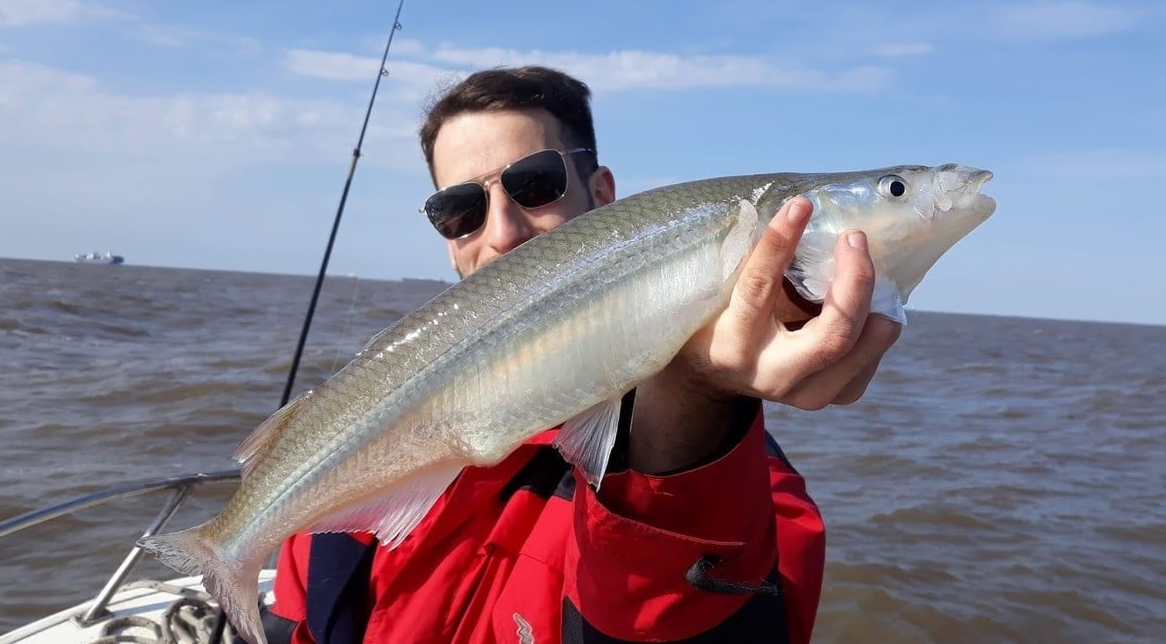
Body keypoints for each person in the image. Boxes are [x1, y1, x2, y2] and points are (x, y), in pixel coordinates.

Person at [263, 65, 900, 643]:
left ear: (602, 192)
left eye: (535, 183)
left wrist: (691, 406)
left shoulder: (743, 487)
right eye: (460, 210)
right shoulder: (357, 446)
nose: (503, 232)